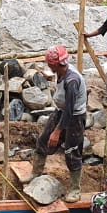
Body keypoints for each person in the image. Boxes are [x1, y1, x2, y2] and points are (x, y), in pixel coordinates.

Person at [29, 45, 87, 203]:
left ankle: (75, 188)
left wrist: (57, 131)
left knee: (72, 151)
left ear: (56, 64)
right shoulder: (60, 72)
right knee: (43, 140)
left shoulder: (72, 81)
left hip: (74, 117)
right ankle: (36, 173)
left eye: (49, 64)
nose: (48, 66)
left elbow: (70, 110)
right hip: (61, 111)